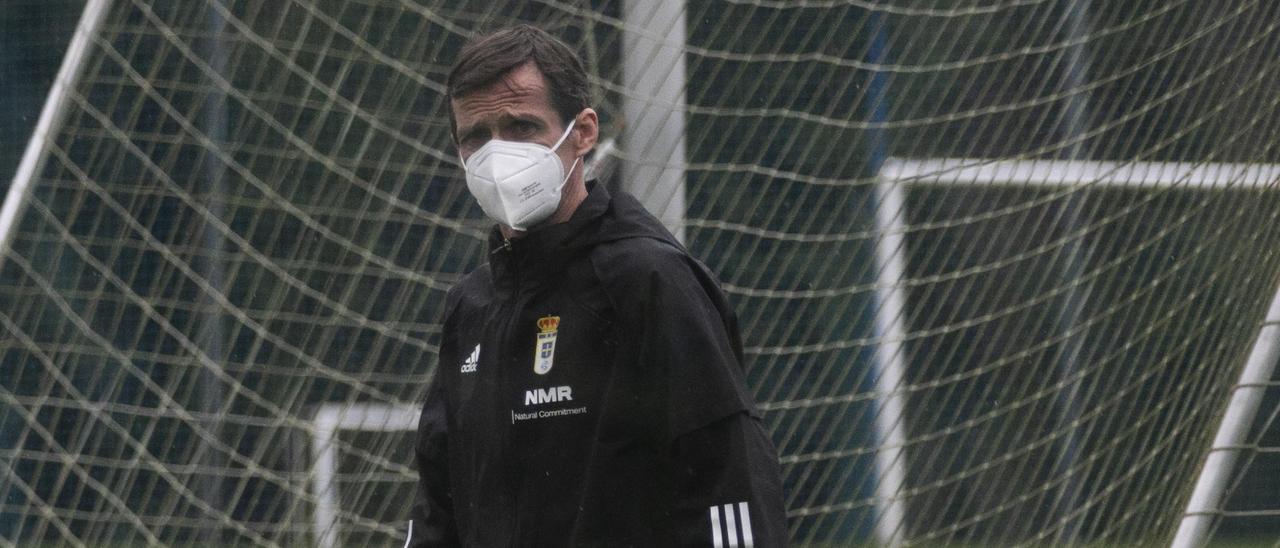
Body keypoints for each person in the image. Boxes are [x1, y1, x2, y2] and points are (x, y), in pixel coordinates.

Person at [407, 25, 788, 547]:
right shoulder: (471, 307)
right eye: (476, 135)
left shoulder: (649, 280)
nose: (497, 155)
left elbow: (727, 477)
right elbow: (437, 509)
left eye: (521, 126)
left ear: (582, 132)